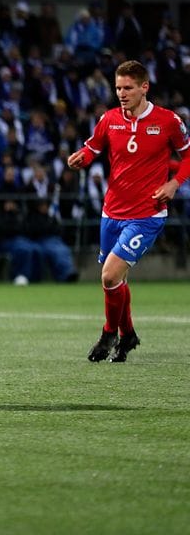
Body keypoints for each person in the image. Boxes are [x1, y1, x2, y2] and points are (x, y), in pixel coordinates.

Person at [67, 59, 190, 363]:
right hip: (112, 212)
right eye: (118, 87)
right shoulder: (109, 120)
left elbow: (188, 156)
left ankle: (110, 333)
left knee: (109, 276)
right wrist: (82, 157)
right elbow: (93, 148)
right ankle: (129, 335)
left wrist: (174, 184)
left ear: (144, 87)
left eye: (128, 88)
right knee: (116, 281)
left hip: (147, 214)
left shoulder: (168, 121)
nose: (121, 93)